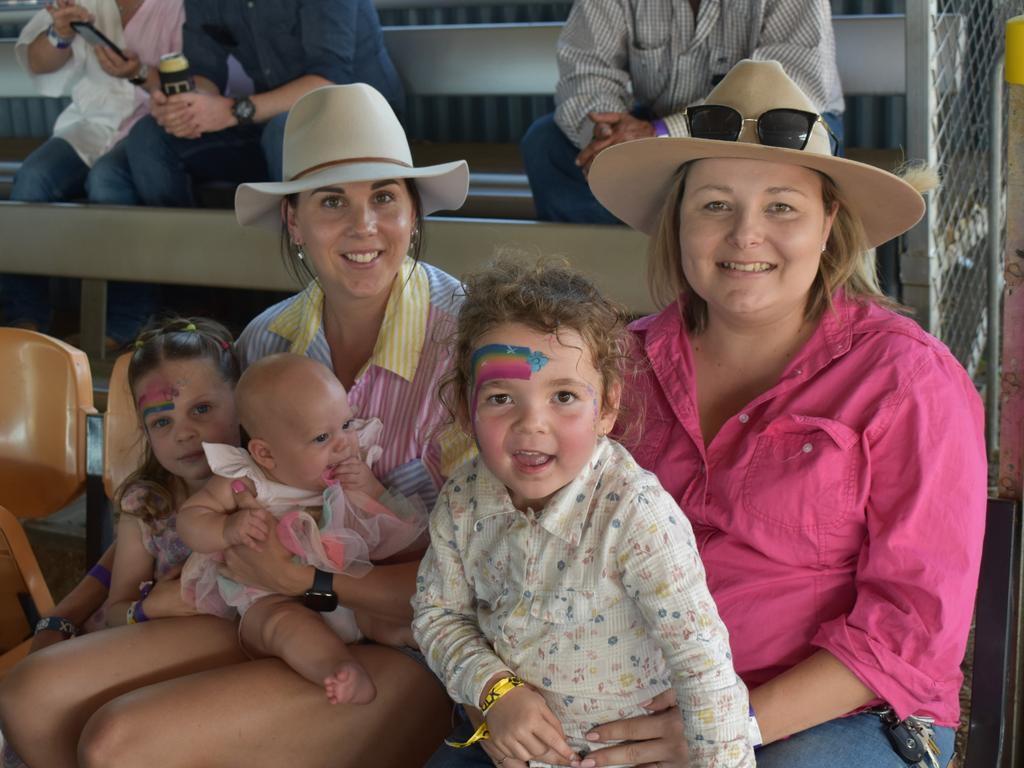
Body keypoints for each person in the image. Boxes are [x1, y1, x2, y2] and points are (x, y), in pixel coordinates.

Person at [0, 82, 472, 768]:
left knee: (120, 744)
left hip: (407, 641)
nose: (364, 225)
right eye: (332, 201)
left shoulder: (465, 347)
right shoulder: (264, 340)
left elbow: (488, 574)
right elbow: (179, 500)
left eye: (385, 197)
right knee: (31, 693)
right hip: (256, 610)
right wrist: (64, 614)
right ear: (293, 221)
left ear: (413, 211)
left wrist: (313, 584)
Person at [564, 59, 986, 768]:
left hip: (832, 717)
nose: (745, 235)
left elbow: (909, 633)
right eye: (715, 205)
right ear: (679, 226)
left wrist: (719, 726)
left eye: (782, 206)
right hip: (630, 698)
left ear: (829, 226)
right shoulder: (618, 368)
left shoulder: (907, 380)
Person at [414, 260, 755, 768]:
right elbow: (438, 616)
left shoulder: (636, 514)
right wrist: (495, 691)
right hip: (508, 750)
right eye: (502, 397)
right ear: (466, 410)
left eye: (565, 397)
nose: (532, 426)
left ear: (608, 407)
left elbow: (703, 665)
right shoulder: (463, 499)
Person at [0, 315, 241, 768]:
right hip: (140, 650)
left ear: (241, 399)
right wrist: (153, 607)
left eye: (202, 409)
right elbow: (116, 611)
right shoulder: (148, 506)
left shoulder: (263, 488)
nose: (183, 432)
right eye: (162, 420)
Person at [178, 353, 426, 705]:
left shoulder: (351, 466)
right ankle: (337, 669)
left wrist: (368, 488)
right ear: (265, 454)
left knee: (375, 615)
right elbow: (190, 518)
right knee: (279, 625)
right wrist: (226, 527)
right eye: (322, 437)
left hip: (351, 591)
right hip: (271, 595)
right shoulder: (249, 480)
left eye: (347, 424)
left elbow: (394, 526)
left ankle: (402, 633)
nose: (343, 443)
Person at [521, 0, 844, 224]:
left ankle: (719, 279)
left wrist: (660, 134)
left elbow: (789, 90)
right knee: (546, 143)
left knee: (776, 149)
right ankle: (601, 293)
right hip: (653, 127)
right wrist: (606, 135)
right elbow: (586, 71)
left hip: (771, 127)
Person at [2, 0, 184, 348]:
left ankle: (126, 321)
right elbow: (39, 62)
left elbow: (192, 79)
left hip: (150, 126)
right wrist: (61, 32)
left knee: (108, 183)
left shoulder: (177, 6)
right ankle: (25, 315)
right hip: (89, 125)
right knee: (32, 179)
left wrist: (139, 72)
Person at [115, 0, 405, 208]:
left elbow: (329, 82)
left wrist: (230, 111)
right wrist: (188, 108)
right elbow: (205, 73)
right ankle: (187, 280)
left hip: (364, 124)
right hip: (275, 127)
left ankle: (307, 281)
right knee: (149, 137)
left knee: (285, 131)